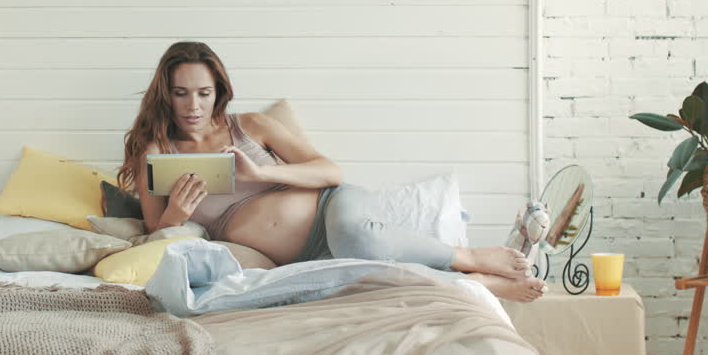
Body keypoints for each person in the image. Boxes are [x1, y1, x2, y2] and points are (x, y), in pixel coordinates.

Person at [117, 41, 547, 302]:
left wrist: (261, 175)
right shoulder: (155, 152)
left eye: (203, 93)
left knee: (357, 238)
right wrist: (177, 211)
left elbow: (331, 171)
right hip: (304, 257)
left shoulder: (250, 126)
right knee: (361, 286)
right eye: (181, 93)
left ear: (218, 93)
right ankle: (479, 287)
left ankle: (469, 258)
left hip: (334, 208)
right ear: (166, 96)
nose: (193, 105)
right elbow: (156, 229)